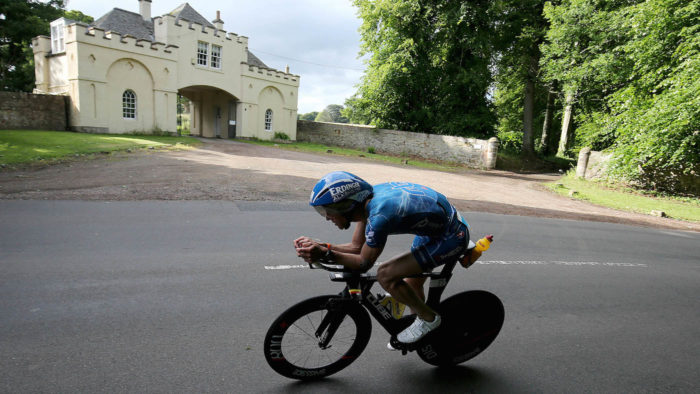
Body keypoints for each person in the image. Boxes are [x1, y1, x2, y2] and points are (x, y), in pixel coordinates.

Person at [294, 171, 470, 345]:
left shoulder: (379, 217)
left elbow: (363, 262)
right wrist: (324, 247)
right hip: (438, 227)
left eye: (328, 211)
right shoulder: (365, 202)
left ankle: (429, 319)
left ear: (346, 206)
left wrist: (325, 254)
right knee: (412, 284)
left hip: (451, 237)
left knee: (386, 275)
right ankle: (419, 322)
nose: (327, 217)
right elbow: (356, 248)